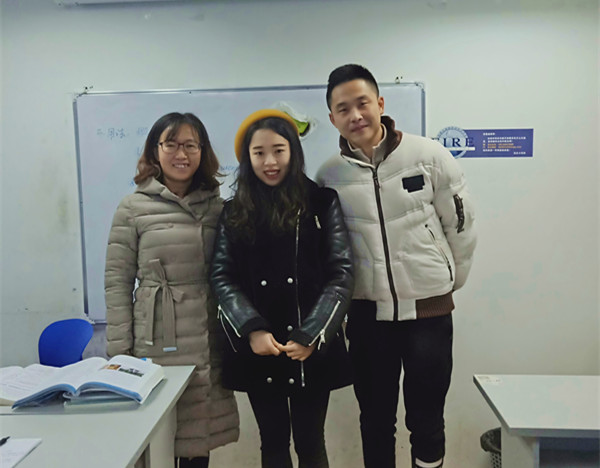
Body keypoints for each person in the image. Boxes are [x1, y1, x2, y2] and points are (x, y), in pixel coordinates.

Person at [315, 64, 477, 468]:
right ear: (332, 118)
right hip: (367, 315)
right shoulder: (328, 176)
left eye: (362, 103)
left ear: (380, 104)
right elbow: (328, 248)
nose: (355, 116)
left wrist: (448, 281)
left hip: (428, 314)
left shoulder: (428, 156)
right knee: (374, 421)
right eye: (343, 109)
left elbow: (461, 225)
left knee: (426, 421)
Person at [210, 109, 354, 468]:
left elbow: (341, 274)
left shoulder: (322, 202)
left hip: (309, 344)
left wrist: (312, 333)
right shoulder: (234, 211)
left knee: (310, 441)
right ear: (247, 158)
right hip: (260, 345)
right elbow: (222, 276)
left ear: (294, 151)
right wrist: (252, 329)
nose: (269, 162)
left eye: (278, 150)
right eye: (258, 153)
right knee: (272, 441)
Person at [104, 112, 239, 468]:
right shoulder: (133, 207)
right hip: (153, 338)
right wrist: (119, 353)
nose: (182, 154)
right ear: (155, 150)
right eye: (171, 144)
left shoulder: (217, 206)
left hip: (205, 337)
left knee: (196, 444)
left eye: (191, 145)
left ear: (203, 151)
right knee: (155, 444)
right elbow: (117, 282)